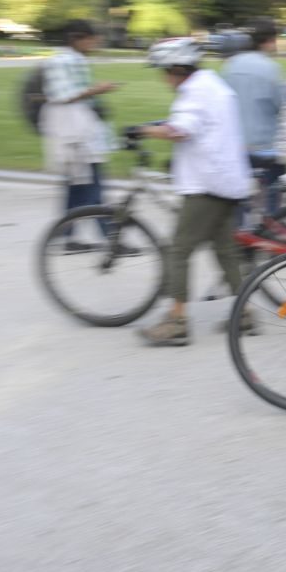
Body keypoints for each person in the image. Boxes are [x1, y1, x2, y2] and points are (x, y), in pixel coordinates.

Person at [137, 38, 253, 347]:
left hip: (207, 184)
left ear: (177, 69)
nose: (163, 79)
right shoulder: (213, 85)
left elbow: (180, 130)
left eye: (164, 71)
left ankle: (176, 321)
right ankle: (244, 312)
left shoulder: (194, 92)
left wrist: (142, 131)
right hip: (227, 181)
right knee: (225, 249)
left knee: (179, 249)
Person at [40, 19, 118, 250]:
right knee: (94, 187)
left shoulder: (71, 59)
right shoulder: (63, 61)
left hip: (76, 132)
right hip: (77, 135)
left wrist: (94, 94)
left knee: (75, 188)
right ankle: (111, 238)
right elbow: (63, 95)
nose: (95, 43)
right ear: (77, 38)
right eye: (91, 39)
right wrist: (97, 90)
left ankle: (68, 237)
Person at [221, 18, 284, 211]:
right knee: (274, 191)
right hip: (265, 144)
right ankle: (272, 225)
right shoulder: (270, 67)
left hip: (236, 144)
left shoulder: (230, 66)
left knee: (239, 198)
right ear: (269, 40)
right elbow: (280, 104)